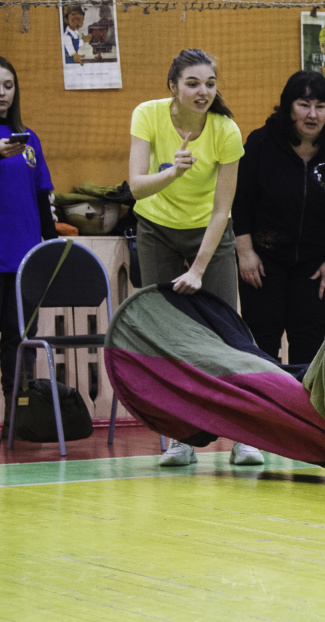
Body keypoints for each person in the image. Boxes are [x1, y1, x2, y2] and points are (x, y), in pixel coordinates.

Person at [128, 48, 263, 467]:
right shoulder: (147, 115)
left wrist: (200, 269)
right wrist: (173, 171)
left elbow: (223, 211)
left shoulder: (226, 131)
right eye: (192, 83)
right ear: (173, 86)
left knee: (227, 334)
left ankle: (244, 438)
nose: (202, 91)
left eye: (209, 83)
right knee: (166, 335)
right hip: (156, 230)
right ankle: (180, 440)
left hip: (211, 233)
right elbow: (135, 186)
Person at [232, 71, 325, 365]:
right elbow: (239, 201)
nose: (312, 114)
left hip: (316, 263)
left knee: (308, 342)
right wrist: (244, 253)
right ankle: (261, 409)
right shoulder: (260, 142)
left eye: (321, 106)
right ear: (287, 107)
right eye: (304, 105)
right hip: (263, 259)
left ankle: (300, 410)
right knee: (261, 340)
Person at [0, 56, 58, 438]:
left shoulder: (28, 137)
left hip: (23, 262)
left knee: (20, 342)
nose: (1, 93)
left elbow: (42, 197)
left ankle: (17, 420)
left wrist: (52, 247)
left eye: (7, 86)